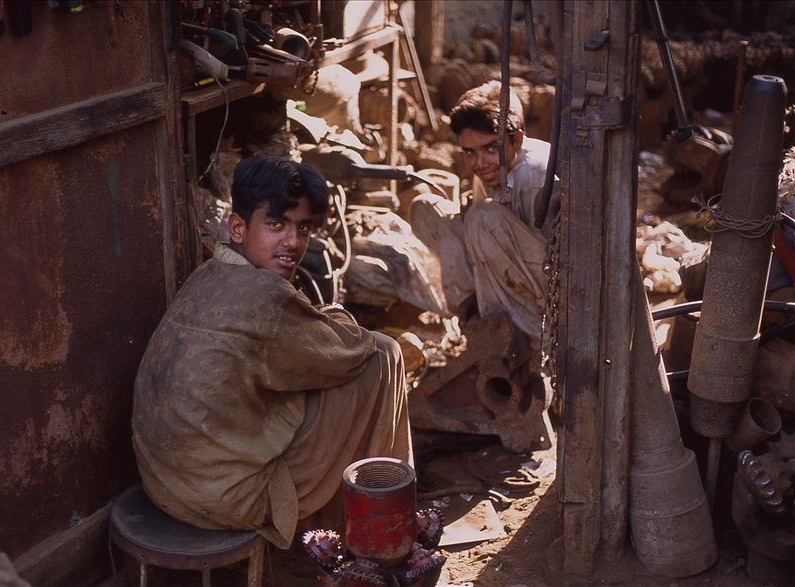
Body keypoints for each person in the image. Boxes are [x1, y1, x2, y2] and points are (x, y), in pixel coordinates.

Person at [132, 152, 412, 550]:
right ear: (239, 227)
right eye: (275, 224)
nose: (293, 242)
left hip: (167, 486)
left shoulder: (208, 273)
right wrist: (336, 316)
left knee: (313, 375)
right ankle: (379, 525)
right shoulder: (266, 295)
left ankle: (366, 510)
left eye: (303, 227)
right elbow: (350, 350)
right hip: (227, 499)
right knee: (383, 354)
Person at [410, 81, 556, 359]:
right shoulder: (491, 169)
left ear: (518, 140)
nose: (480, 163)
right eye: (470, 152)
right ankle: (476, 317)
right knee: (425, 209)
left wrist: (483, 221)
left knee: (482, 216)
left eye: (491, 149)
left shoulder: (536, 176)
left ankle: (528, 344)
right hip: (505, 273)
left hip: (549, 291)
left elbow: (554, 267)